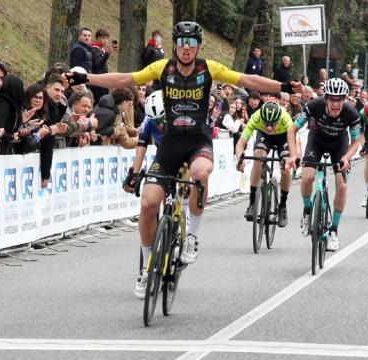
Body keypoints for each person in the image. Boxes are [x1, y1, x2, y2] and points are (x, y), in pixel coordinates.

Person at [68, 21, 299, 298]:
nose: (186, 48)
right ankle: (146, 268)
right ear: (175, 45)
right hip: (170, 144)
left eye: (191, 43)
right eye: (181, 43)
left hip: (199, 141)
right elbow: (124, 80)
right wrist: (87, 79)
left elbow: (247, 80)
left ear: (198, 46)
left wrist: (282, 85)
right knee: (148, 203)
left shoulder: (209, 68)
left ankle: (191, 237)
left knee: (201, 174)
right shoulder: (161, 68)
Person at [286, 78, 361, 251]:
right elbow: (292, 130)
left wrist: (347, 157)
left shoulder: (351, 113)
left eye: (340, 99)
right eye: (332, 99)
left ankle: (333, 230)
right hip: (316, 142)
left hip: (339, 145)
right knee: (307, 178)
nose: (336, 104)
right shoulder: (314, 106)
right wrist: (294, 154)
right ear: (325, 98)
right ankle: (307, 210)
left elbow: (356, 141)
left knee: (341, 186)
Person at [235, 101, 293, 227]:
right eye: (266, 123)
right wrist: (240, 159)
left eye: (272, 124)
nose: (269, 128)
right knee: (258, 157)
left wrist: (292, 159)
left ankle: (283, 206)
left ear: (279, 119)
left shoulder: (286, 120)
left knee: (286, 166)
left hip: (283, 137)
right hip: (264, 137)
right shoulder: (256, 118)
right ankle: (252, 202)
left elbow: (295, 145)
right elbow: (240, 144)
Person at [89, 29, 116, 105]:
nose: (105, 40)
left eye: (107, 38)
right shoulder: (95, 49)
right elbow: (98, 64)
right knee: (99, 101)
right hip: (98, 81)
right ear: (97, 38)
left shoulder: (101, 50)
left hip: (102, 80)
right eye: (103, 38)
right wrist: (107, 54)